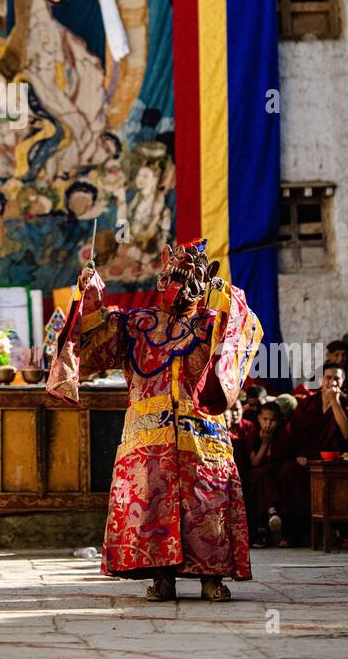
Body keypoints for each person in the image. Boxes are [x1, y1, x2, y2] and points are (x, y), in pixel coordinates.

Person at [47, 238, 262, 601]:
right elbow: (91, 343)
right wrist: (90, 295)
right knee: (151, 508)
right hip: (147, 439)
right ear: (161, 279)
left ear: (203, 279)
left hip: (202, 436)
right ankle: (162, 579)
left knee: (206, 507)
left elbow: (247, 330)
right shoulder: (136, 324)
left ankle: (212, 578)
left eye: (188, 275)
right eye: (171, 275)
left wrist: (226, 296)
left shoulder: (214, 324)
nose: (177, 283)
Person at [277, 363, 348, 545]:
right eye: (328, 377)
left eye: (337, 378)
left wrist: (335, 402)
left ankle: (341, 533)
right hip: (309, 462)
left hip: (335, 463)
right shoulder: (308, 404)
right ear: (321, 380)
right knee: (288, 471)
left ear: (342, 382)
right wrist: (300, 455)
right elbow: (295, 434)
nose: (332, 382)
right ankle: (294, 533)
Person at [247, 402, 289, 546]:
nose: (268, 424)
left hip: (277, 474)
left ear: (279, 420)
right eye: (265, 419)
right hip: (260, 475)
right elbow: (254, 463)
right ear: (259, 418)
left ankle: (274, 518)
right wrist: (265, 443)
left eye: (273, 420)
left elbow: (285, 458)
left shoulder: (284, 435)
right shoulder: (253, 435)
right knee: (257, 475)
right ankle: (272, 512)